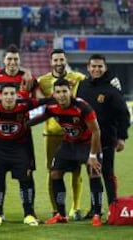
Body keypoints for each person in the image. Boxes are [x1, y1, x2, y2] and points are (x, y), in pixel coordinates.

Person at [30, 78, 104, 227]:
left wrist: (93, 156)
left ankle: (96, 214)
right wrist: (24, 124)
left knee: (94, 172)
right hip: (69, 144)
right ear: (54, 94)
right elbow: (41, 117)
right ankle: (61, 214)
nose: (62, 95)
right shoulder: (52, 106)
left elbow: (96, 131)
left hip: (88, 145)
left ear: (70, 92)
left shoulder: (82, 107)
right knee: (55, 174)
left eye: (64, 91)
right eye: (58, 92)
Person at [0, 44, 42, 220]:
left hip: (22, 138)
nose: (12, 62)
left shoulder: (29, 79)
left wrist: (31, 120)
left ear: (20, 61)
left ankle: (29, 212)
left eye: (16, 59)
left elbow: (41, 103)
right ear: (4, 60)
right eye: (9, 59)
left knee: (26, 177)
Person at [77, 54, 130, 216]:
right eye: (93, 66)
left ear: (105, 68)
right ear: (88, 67)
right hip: (87, 140)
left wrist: (121, 138)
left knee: (107, 173)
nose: (96, 69)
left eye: (100, 66)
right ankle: (95, 208)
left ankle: (113, 208)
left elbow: (124, 114)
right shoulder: (82, 86)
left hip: (107, 138)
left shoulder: (112, 89)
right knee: (93, 174)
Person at [0, 84, 47, 227]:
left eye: (12, 94)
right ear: (0, 96)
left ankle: (28, 214)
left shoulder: (24, 105)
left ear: (17, 96)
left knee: (26, 180)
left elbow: (45, 101)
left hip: (19, 148)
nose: (9, 97)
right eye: (6, 94)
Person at [37, 49, 86, 220]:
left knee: (76, 171)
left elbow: (93, 87)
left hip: (74, 134)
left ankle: (76, 208)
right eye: (55, 60)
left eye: (61, 60)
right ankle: (56, 209)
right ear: (51, 62)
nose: (59, 63)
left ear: (66, 60)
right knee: (53, 172)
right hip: (52, 134)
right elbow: (31, 94)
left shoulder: (78, 78)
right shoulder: (42, 81)